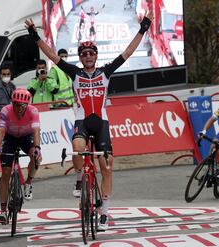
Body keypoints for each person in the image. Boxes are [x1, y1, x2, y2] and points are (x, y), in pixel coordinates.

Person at [25, 10, 151, 231]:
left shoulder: (106, 72)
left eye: (91, 53)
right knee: (76, 148)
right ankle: (79, 177)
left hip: (101, 123)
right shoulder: (74, 73)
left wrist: (144, 27)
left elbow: (129, 52)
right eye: (84, 54)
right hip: (82, 121)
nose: (88, 56)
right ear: (80, 57)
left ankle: (104, 213)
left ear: (96, 55)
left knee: (107, 167)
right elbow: (53, 55)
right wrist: (34, 36)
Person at [0, 88, 41, 224]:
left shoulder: (33, 111)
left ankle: (29, 183)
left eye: (22, 105)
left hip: (27, 137)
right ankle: (3, 211)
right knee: (6, 174)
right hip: (10, 137)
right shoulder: (6, 110)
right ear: (12, 102)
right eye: (16, 104)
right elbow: (1, 130)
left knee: (35, 156)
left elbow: (36, 130)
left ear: (27, 105)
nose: (19, 108)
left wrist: (37, 148)